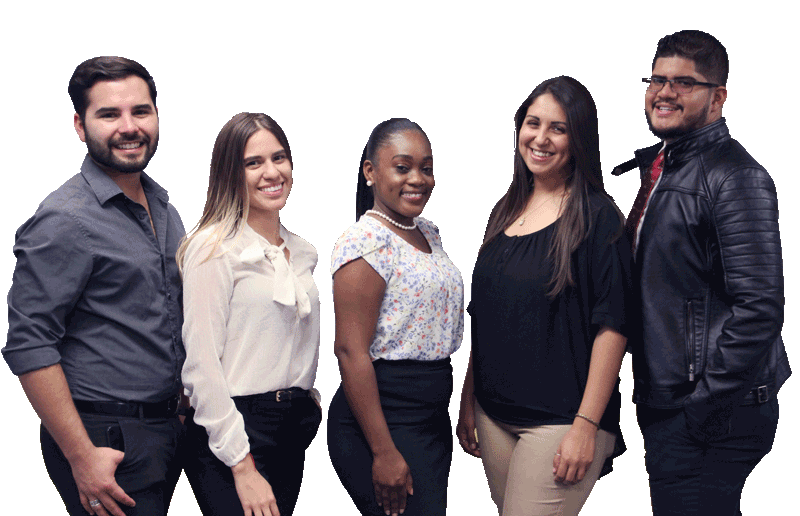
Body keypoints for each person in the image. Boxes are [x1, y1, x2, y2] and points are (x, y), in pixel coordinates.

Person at [612, 30, 789, 515]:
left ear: (719, 97)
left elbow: (760, 308)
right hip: (673, 401)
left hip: (710, 412)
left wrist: (698, 408)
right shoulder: (665, 167)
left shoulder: (735, 176)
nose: (665, 92)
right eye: (657, 79)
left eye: (684, 83)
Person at [3, 56, 185, 516]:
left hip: (165, 427)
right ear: (81, 127)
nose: (129, 127)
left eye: (140, 111)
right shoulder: (64, 219)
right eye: (109, 114)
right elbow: (29, 344)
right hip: (106, 439)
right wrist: (82, 457)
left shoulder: (162, 204)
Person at [457, 76, 632, 516]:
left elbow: (614, 327)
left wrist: (586, 426)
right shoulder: (505, 209)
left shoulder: (598, 218)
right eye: (533, 123)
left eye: (558, 127)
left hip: (560, 423)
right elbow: (490, 317)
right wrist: (468, 400)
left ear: (580, 139)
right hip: (494, 415)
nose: (541, 138)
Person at [178, 112, 321, 516]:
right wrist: (242, 466)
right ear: (230, 173)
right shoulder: (212, 248)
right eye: (253, 163)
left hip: (290, 429)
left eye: (279, 158)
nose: (271, 172)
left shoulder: (302, 251)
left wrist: (307, 399)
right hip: (234, 432)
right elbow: (201, 365)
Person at [328, 118, 464, 516]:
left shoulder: (429, 231)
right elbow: (350, 351)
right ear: (370, 171)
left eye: (426, 168)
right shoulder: (364, 240)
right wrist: (384, 452)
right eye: (402, 167)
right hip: (384, 419)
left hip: (431, 416)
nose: (418, 179)